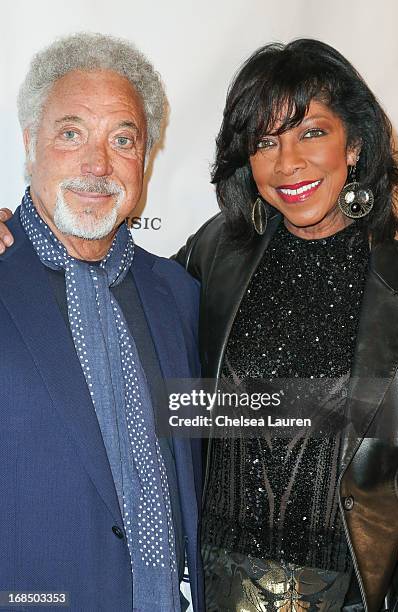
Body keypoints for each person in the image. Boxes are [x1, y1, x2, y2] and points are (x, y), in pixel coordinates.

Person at [1, 38, 398, 612]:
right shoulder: (219, 256)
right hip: (218, 589)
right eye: (266, 141)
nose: (288, 162)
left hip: (347, 593)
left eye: (311, 132)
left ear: (356, 143)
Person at [0, 33, 203, 612]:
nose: (98, 164)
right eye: (71, 134)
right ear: (28, 143)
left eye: (123, 139)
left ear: (145, 158)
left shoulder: (179, 293)